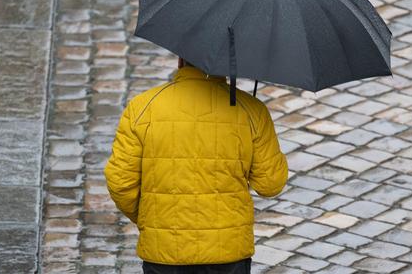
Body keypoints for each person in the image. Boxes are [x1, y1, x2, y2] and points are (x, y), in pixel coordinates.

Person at [104, 58, 288, 274]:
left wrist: (150, 219)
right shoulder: (251, 110)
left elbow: (120, 183)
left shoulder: (142, 108)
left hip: (164, 252)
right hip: (228, 254)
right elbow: (271, 184)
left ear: (181, 60)